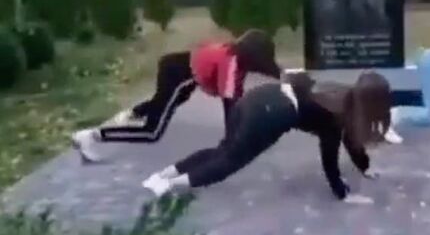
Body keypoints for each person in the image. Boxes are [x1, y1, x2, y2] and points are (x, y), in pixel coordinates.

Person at [141, 71, 392, 204]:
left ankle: (163, 175)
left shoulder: (341, 92)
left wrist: (364, 167)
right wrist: (343, 194)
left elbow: (349, 139)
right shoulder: (338, 113)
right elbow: (330, 157)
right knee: (229, 161)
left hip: (260, 96)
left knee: (223, 150)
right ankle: (169, 185)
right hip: (273, 112)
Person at [71, 29, 282, 162]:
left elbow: (264, 71)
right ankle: (91, 136)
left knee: (173, 100)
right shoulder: (231, 63)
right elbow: (230, 105)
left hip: (177, 67)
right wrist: (233, 144)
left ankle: (135, 112)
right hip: (177, 75)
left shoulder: (236, 56)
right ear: (251, 56)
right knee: (152, 132)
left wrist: (286, 77)